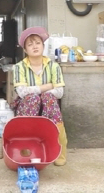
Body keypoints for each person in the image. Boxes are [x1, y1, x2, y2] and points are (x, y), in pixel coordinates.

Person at [12, 27, 66, 166]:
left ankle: (59, 150)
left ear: (43, 45)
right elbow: (22, 92)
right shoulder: (19, 67)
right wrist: (47, 87)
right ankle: (27, 146)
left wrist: (42, 93)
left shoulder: (54, 66)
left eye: (37, 43)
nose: (34, 46)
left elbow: (60, 92)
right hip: (27, 107)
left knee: (48, 98)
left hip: (48, 107)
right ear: (25, 50)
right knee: (33, 98)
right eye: (30, 44)